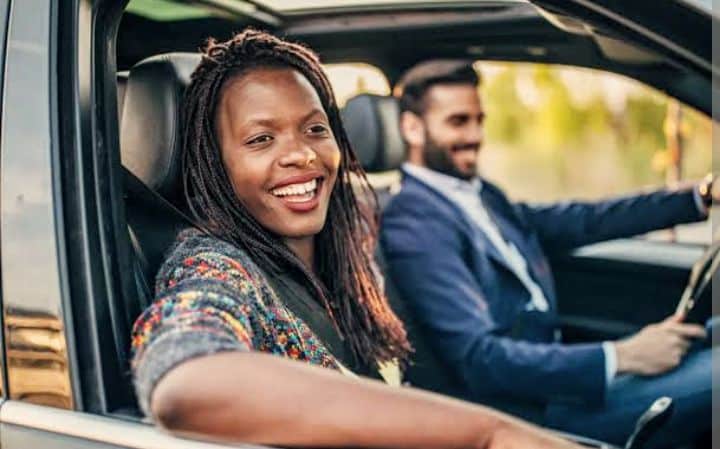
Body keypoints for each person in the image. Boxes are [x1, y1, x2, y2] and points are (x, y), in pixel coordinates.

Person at [129, 31, 583, 449]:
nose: (302, 154)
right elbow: (186, 382)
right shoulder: (213, 263)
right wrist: (488, 433)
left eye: (315, 129)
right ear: (214, 163)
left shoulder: (348, 243)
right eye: (261, 139)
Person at [379, 59, 715, 447]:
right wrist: (622, 356)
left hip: (560, 382)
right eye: (458, 122)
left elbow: (585, 220)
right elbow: (478, 359)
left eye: (479, 120)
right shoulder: (414, 221)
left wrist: (700, 196)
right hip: (530, 414)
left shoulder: (480, 195)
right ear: (413, 128)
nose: (475, 135)